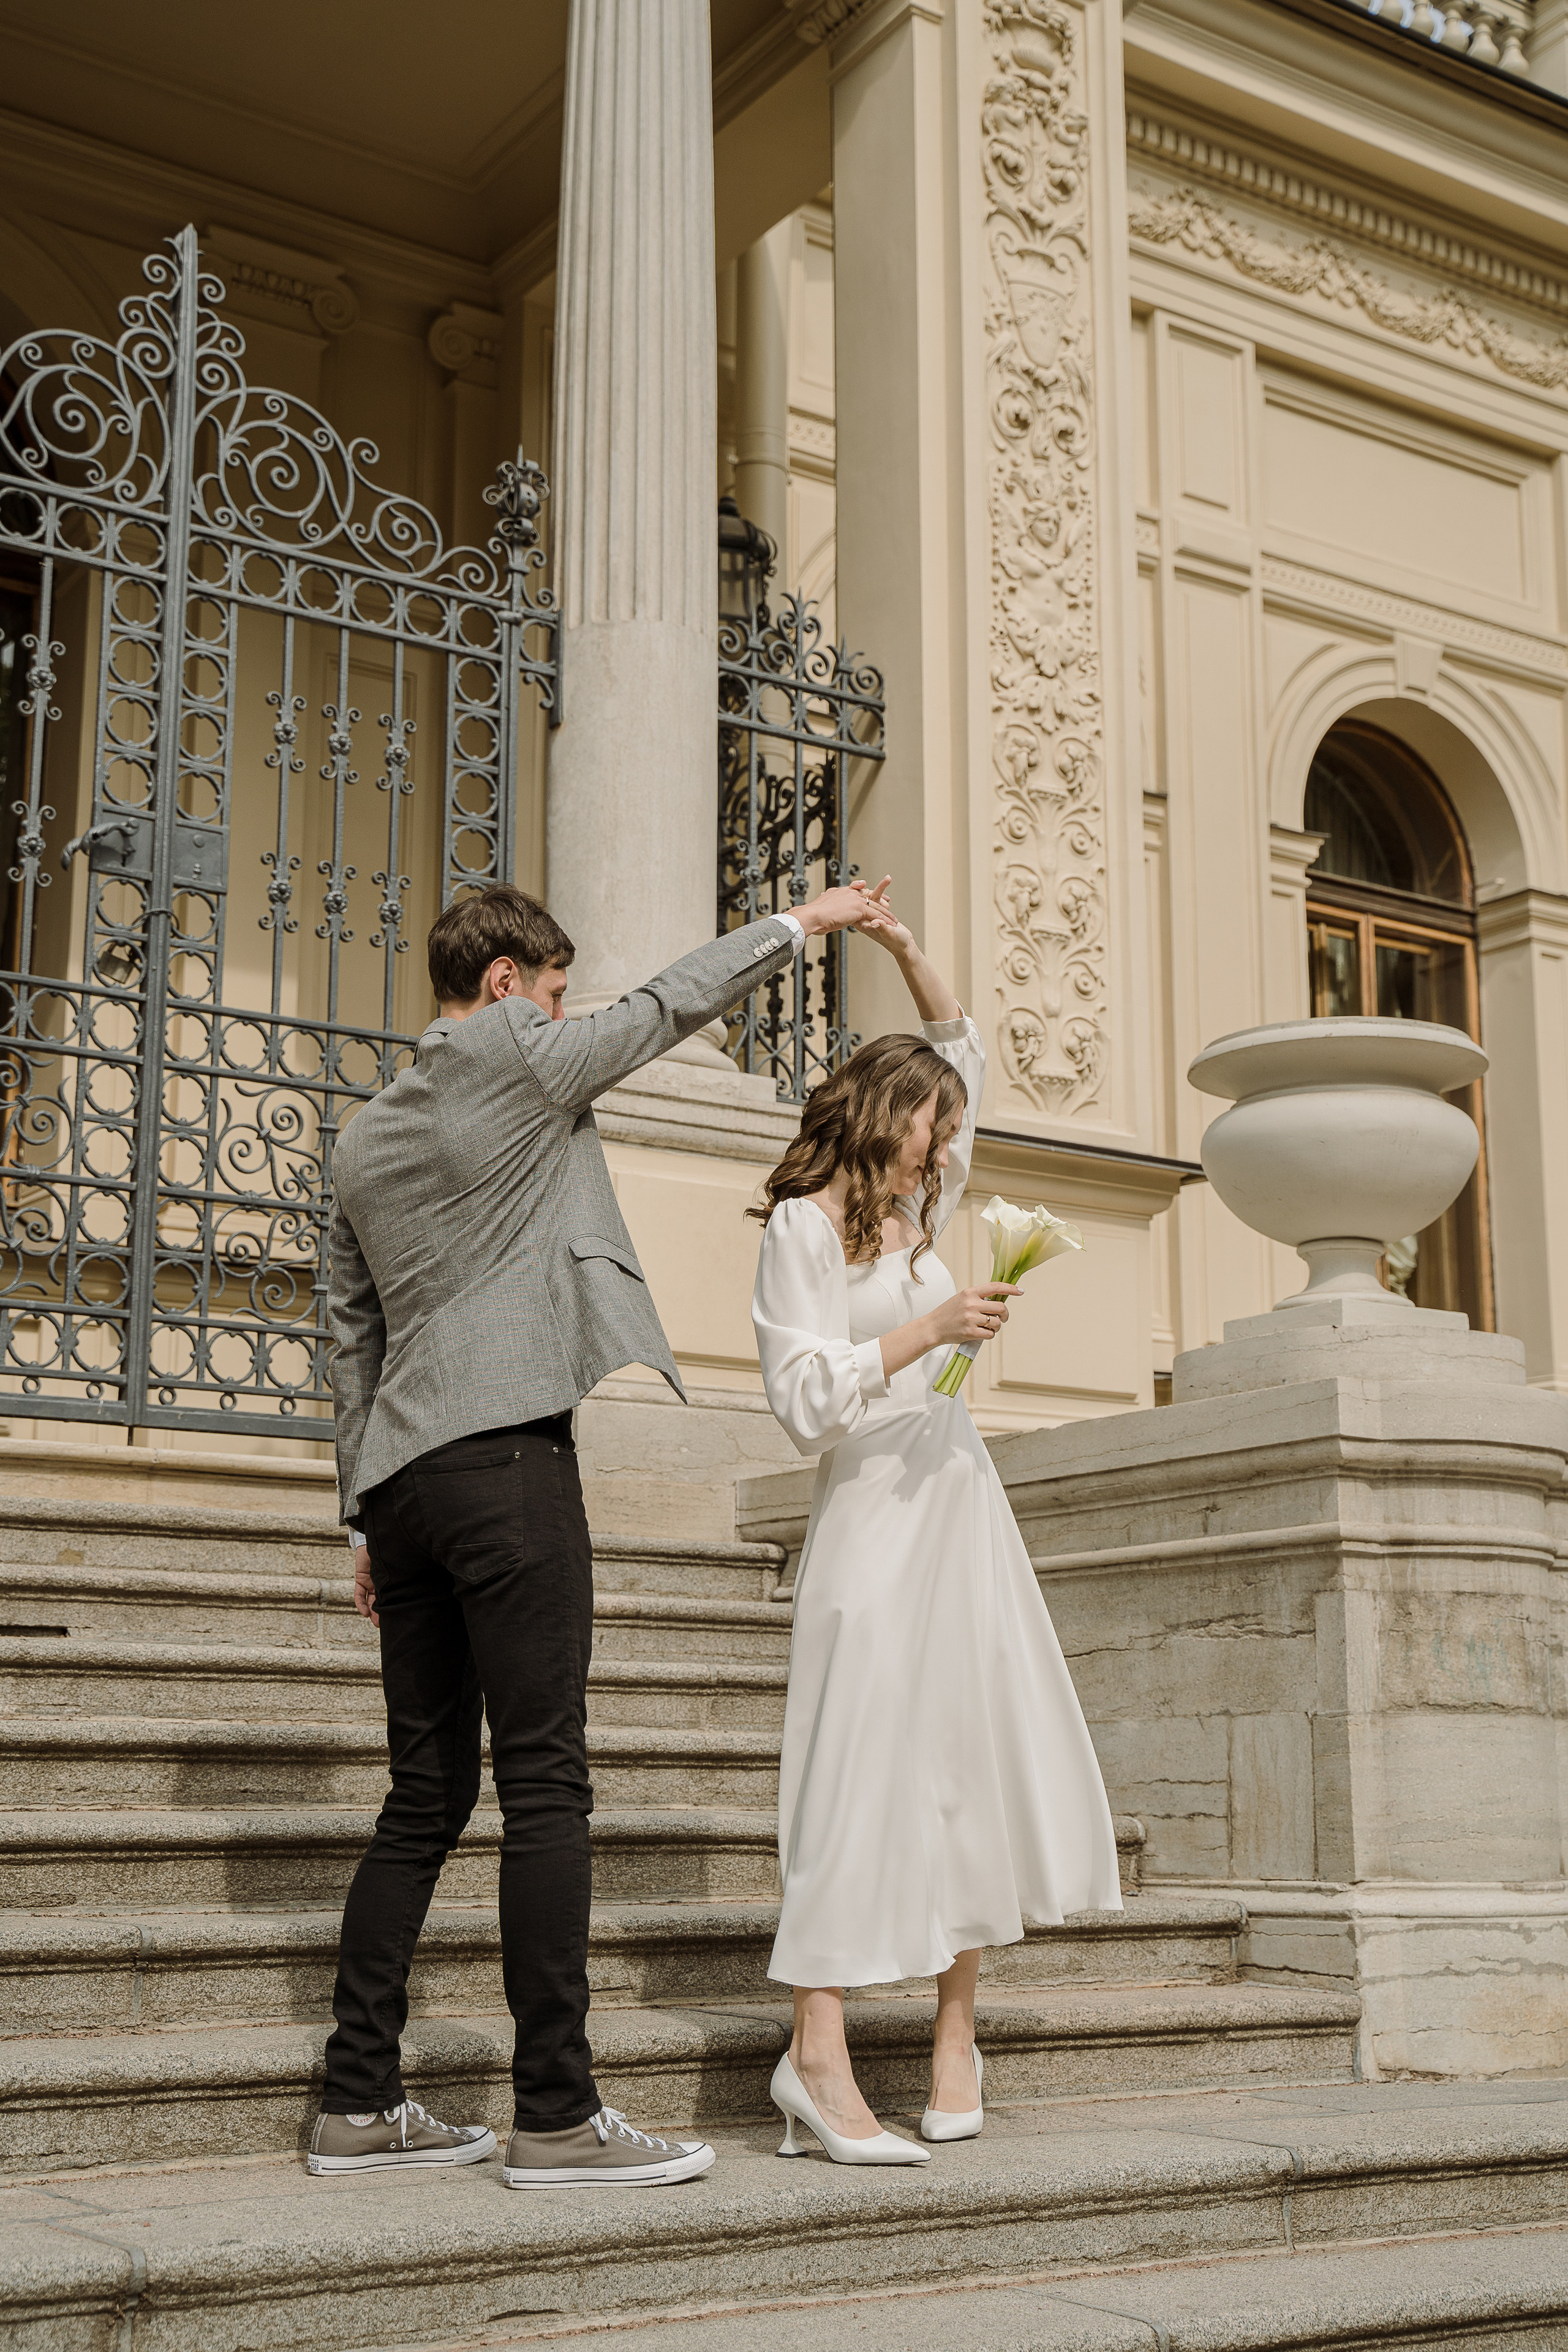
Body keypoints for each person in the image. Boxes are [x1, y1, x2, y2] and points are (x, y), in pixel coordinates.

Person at [309, 878, 881, 2189]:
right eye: (555, 992)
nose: (568, 1019)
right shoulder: (514, 1054)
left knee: (424, 1797)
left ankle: (357, 2099)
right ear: (507, 983)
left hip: (402, 1485)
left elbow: (349, 1336)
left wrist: (359, 1511)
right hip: (506, 1457)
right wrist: (806, 923)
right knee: (547, 1782)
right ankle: (557, 2116)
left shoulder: (362, 1139)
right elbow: (667, 1007)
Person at [750, 889, 1123, 2166]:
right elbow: (803, 1402)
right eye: (930, 1120)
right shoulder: (804, 1230)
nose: (946, 1137)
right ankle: (814, 2052)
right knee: (851, 1773)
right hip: (867, 1519)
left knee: (969, 1762)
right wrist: (923, 1330)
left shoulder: (928, 1214)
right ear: (880, 1119)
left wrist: (899, 946)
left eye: (949, 1126)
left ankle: (958, 2034)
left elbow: (956, 1039)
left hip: (959, 1503)